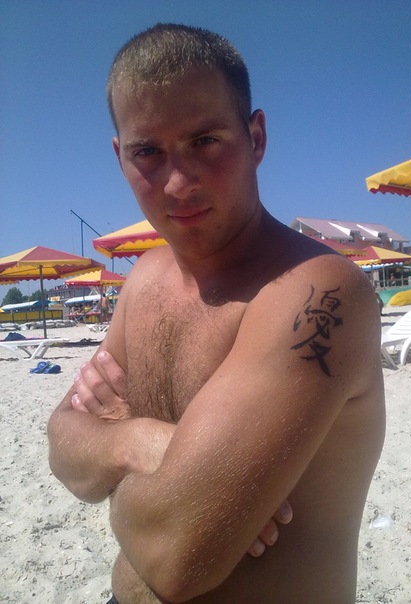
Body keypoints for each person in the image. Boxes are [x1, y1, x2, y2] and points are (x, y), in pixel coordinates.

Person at [47, 24, 385, 604]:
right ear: (119, 157)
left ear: (256, 138)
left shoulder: (318, 293)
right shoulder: (145, 280)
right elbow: (61, 445)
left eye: (205, 140)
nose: (178, 183)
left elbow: (176, 553)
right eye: (148, 152)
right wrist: (140, 442)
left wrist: (109, 453)